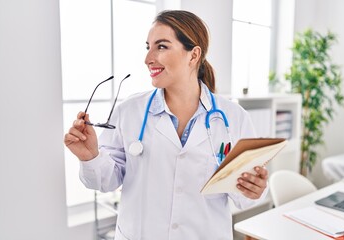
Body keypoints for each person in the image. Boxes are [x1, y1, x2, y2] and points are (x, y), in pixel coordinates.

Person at [64, 10, 268, 240]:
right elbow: (106, 181)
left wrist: (255, 188)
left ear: (193, 55)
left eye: (161, 46)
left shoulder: (234, 118)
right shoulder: (129, 111)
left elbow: (244, 196)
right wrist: (90, 156)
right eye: (148, 46)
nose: (148, 58)